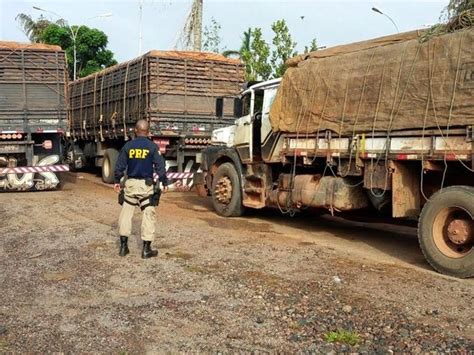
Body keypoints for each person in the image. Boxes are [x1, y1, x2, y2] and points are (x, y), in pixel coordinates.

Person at [114, 119, 169, 259]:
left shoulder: (128, 146)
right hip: (146, 186)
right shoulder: (152, 147)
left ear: (136, 131)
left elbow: (120, 165)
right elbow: (160, 166)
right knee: (148, 215)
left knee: (126, 214)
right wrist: (164, 182)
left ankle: (123, 247)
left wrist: (116, 181)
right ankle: (146, 250)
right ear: (148, 131)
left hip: (131, 185)